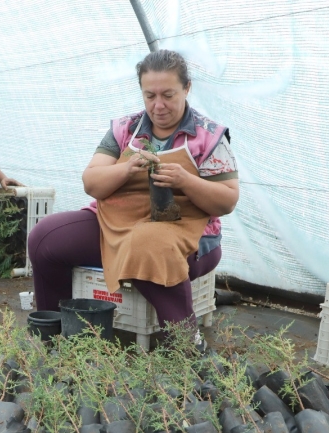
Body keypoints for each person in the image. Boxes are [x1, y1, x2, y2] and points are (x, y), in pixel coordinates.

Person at [27, 49, 239, 348]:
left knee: (148, 243)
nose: (159, 105)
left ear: (187, 88)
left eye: (168, 94)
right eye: (149, 95)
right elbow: (92, 182)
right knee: (44, 238)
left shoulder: (208, 137)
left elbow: (227, 201)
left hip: (189, 235)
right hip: (116, 222)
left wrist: (185, 180)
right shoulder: (125, 129)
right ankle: (56, 335)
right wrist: (126, 169)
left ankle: (184, 344)